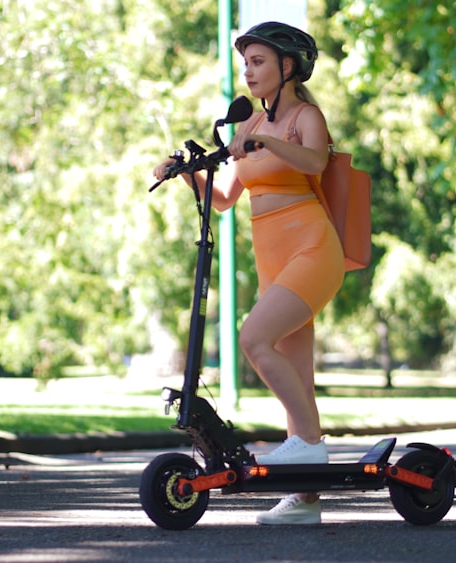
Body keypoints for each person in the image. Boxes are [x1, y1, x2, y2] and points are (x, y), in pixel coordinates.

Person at [154, 22, 343, 525]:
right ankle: (306, 500)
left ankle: (307, 449)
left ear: (288, 66)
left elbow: (316, 162)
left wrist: (268, 144)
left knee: (253, 340)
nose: (249, 71)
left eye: (259, 62)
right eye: (247, 63)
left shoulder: (306, 116)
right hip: (273, 256)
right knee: (297, 375)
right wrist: (185, 173)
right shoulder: (247, 128)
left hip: (312, 247)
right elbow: (222, 200)